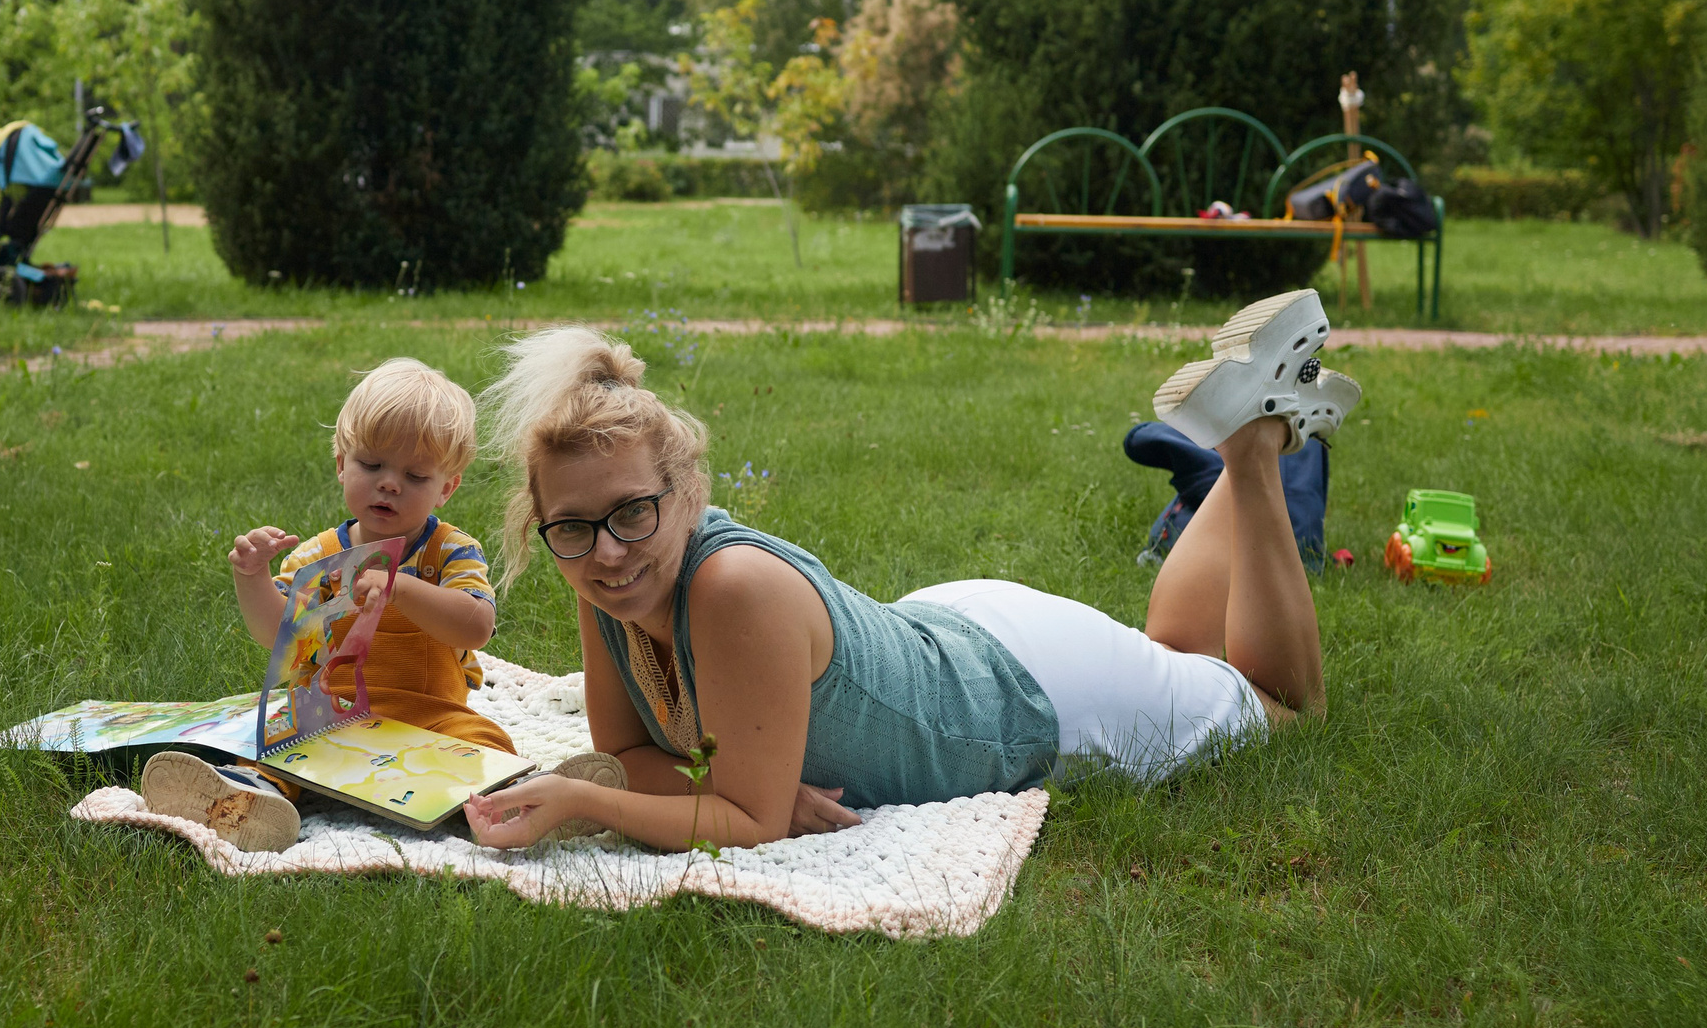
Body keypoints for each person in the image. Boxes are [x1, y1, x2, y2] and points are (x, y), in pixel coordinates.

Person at [460, 290, 1362, 852]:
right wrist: (699, 787)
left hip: (1024, 695)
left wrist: (590, 799)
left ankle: (1255, 449)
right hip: (949, 640)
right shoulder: (605, 578)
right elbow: (633, 756)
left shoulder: (729, 587)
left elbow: (742, 819)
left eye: (633, 512)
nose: (607, 550)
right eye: (572, 526)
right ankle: (1235, 443)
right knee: (1175, 650)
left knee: (1285, 710)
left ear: (687, 492)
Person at [143, 357, 549, 852]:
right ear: (341, 464)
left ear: (446, 486)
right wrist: (251, 577)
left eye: (415, 475)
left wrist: (402, 588)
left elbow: (476, 627)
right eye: (371, 465)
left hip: (431, 716)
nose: (389, 483)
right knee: (275, 736)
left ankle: (523, 800)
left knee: (486, 742)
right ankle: (249, 799)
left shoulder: (449, 550)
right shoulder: (318, 558)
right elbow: (278, 635)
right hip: (330, 712)